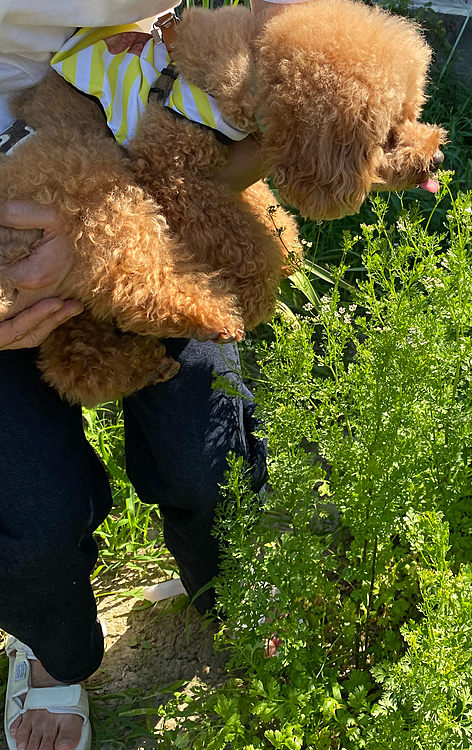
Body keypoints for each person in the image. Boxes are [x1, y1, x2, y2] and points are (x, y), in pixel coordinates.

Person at [0, 1, 308, 748]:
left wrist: (220, 159)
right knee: (32, 515)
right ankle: (54, 650)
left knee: (207, 466)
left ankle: (227, 597)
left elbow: (292, 38)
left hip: (160, 157)